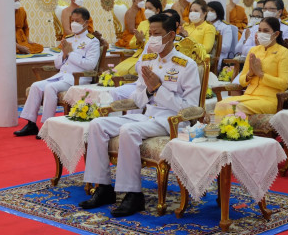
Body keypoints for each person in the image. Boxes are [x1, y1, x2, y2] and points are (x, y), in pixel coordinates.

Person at [79, 14, 200, 217]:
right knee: (97, 124)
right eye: (150, 33)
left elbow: (190, 109)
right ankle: (104, 188)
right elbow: (138, 98)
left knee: (128, 130)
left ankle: (134, 195)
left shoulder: (186, 65)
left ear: (171, 35)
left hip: (171, 121)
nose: (152, 38)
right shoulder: (149, 60)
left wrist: (159, 89)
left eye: (157, 34)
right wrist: (150, 91)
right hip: (148, 116)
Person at [14, 8, 100, 137]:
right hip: (62, 76)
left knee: (50, 88)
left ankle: (47, 127)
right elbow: (57, 64)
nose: (74, 23)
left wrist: (70, 53)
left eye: (78, 21)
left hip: (78, 78)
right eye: (72, 20)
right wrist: (64, 54)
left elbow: (90, 65)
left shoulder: (92, 41)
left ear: (86, 23)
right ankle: (31, 124)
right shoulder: (69, 39)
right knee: (36, 86)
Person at [215, 17, 288, 117]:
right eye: (259, 30)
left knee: (235, 109)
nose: (261, 33)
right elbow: (242, 81)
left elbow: (283, 84)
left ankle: (240, 132)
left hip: (268, 99)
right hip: (249, 96)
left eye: (266, 31)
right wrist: (249, 74)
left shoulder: (283, 53)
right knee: (220, 105)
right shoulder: (253, 51)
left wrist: (261, 74)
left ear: (276, 34)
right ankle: (226, 132)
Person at [114, 0, 162, 76]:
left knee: (128, 73)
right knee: (115, 71)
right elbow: (131, 44)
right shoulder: (143, 24)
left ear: (157, 10)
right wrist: (138, 40)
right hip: (138, 56)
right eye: (145, 8)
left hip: (153, 58)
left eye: (150, 8)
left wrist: (143, 40)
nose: (146, 11)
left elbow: (157, 45)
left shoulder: (162, 24)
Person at [206, 1, 233, 69]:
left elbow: (226, 48)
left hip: (218, 58)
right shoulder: (205, 25)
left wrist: (211, 44)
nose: (209, 13)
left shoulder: (225, 27)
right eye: (207, 10)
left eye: (212, 10)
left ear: (218, 12)